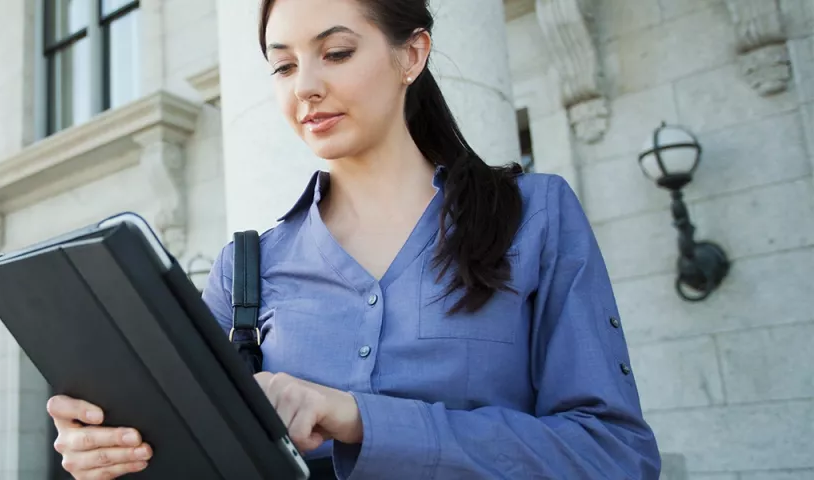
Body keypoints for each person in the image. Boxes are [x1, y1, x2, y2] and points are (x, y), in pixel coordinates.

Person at [45, 0, 662, 478]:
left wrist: (358, 419)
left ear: (411, 55)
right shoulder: (247, 267)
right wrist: (114, 450)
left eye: (335, 53)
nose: (303, 87)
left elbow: (615, 456)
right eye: (283, 65)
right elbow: (206, 453)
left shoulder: (535, 215)